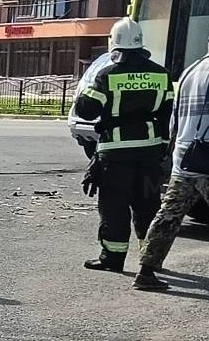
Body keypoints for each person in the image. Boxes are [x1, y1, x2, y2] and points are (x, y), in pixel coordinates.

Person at [75, 17, 174, 273]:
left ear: (114, 43)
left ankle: (113, 258)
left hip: (115, 153)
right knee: (148, 205)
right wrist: (163, 147)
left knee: (114, 207)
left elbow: (86, 111)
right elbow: (167, 113)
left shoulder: (108, 74)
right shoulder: (161, 74)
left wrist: (86, 92)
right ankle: (150, 259)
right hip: (151, 152)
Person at [133, 50, 209, 291]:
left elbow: (174, 120)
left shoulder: (190, 71)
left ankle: (146, 271)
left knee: (168, 215)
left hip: (185, 158)